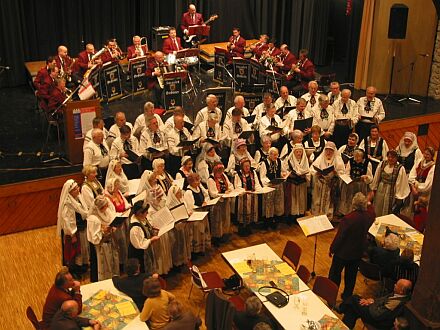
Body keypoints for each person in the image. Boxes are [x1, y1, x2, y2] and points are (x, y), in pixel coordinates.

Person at [329, 192, 376, 301]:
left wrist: (332, 249)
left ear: (354, 204)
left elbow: (340, 237)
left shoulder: (348, 218)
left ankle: (331, 296)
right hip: (357, 252)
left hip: (343, 253)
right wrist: (368, 202)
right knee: (351, 277)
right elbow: (372, 211)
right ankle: (347, 297)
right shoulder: (368, 216)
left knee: (335, 275)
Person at [339, 279, 412, 329]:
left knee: (354, 299)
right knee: (352, 310)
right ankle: (344, 327)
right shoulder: (398, 294)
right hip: (376, 311)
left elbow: (377, 315)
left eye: (397, 285)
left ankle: (340, 308)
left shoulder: (397, 303)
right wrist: (372, 300)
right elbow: (382, 300)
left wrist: (370, 303)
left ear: (401, 291)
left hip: (378, 321)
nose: (394, 285)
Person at [57, 179, 89, 278]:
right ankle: (73, 271)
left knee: (82, 249)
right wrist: (72, 235)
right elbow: (67, 221)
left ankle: (82, 266)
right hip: (72, 232)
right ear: (69, 192)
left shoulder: (78, 198)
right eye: (75, 189)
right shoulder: (67, 204)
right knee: (74, 253)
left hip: (81, 228)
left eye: (77, 187)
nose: (78, 190)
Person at [87, 195, 120, 281]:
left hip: (110, 241)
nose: (107, 207)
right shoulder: (93, 219)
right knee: (104, 267)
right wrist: (103, 231)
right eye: (105, 206)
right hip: (101, 246)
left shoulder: (107, 212)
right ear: (99, 207)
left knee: (112, 264)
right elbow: (94, 238)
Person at [310, 141, 345, 220]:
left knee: (329, 202)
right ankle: (317, 216)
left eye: (331, 150)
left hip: (331, 185)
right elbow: (312, 169)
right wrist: (317, 173)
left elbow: (342, 172)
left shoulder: (338, 160)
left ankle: (327, 218)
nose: (328, 152)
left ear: (334, 151)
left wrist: (336, 173)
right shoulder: (320, 158)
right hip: (320, 184)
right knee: (318, 201)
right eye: (327, 150)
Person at [369, 150, 410, 217]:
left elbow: (400, 183)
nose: (390, 159)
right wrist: (374, 188)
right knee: (378, 206)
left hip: (391, 190)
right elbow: (377, 176)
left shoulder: (400, 168)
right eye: (389, 157)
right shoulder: (382, 164)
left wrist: (398, 196)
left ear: (396, 158)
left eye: (393, 157)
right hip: (380, 189)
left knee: (387, 208)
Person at [338, 149, 373, 216]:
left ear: (362, 157)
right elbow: (347, 172)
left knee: (359, 201)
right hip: (351, 184)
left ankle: (358, 215)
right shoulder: (351, 161)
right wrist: (348, 178)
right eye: (355, 156)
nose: (356, 158)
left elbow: (370, 178)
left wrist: (366, 177)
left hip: (361, 185)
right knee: (349, 200)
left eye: (358, 157)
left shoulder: (367, 164)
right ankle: (348, 214)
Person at [128, 201, 159, 275]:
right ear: (139, 213)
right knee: (142, 273)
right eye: (146, 212)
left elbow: (145, 229)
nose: (147, 214)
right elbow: (139, 244)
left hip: (145, 252)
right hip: (138, 254)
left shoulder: (141, 219)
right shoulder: (135, 227)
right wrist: (151, 240)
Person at [259, 147, 287, 226]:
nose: (276, 157)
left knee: (278, 201)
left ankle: (276, 218)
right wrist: (269, 182)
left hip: (278, 185)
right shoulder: (264, 163)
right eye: (274, 155)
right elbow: (263, 176)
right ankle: (268, 220)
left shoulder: (279, 161)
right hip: (269, 186)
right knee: (269, 203)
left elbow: (282, 171)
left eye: (277, 155)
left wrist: (283, 175)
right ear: (269, 154)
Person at [234, 158, 262, 235]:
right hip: (243, 197)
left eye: (248, 166)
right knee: (244, 212)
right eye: (245, 166)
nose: (247, 168)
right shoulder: (238, 174)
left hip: (252, 195)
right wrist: (245, 191)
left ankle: (249, 227)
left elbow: (256, 183)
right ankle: (242, 229)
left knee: (251, 211)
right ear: (242, 166)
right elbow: (238, 186)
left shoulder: (253, 172)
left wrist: (258, 190)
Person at [284, 143, 311, 220]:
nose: (299, 153)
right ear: (294, 152)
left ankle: (300, 214)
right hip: (292, 183)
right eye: (297, 152)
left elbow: (308, 171)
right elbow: (285, 170)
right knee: (293, 201)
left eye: (300, 152)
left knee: (301, 200)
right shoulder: (289, 160)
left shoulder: (305, 160)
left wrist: (305, 175)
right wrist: (289, 175)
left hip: (301, 183)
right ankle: (292, 216)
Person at [207, 162, 233, 243]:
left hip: (225, 201)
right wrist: (222, 194)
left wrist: (229, 190)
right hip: (217, 203)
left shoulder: (223, 176)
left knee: (225, 218)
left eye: (221, 171)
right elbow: (213, 193)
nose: (220, 173)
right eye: (219, 172)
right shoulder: (211, 179)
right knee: (217, 220)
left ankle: (224, 234)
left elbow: (230, 185)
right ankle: (217, 237)